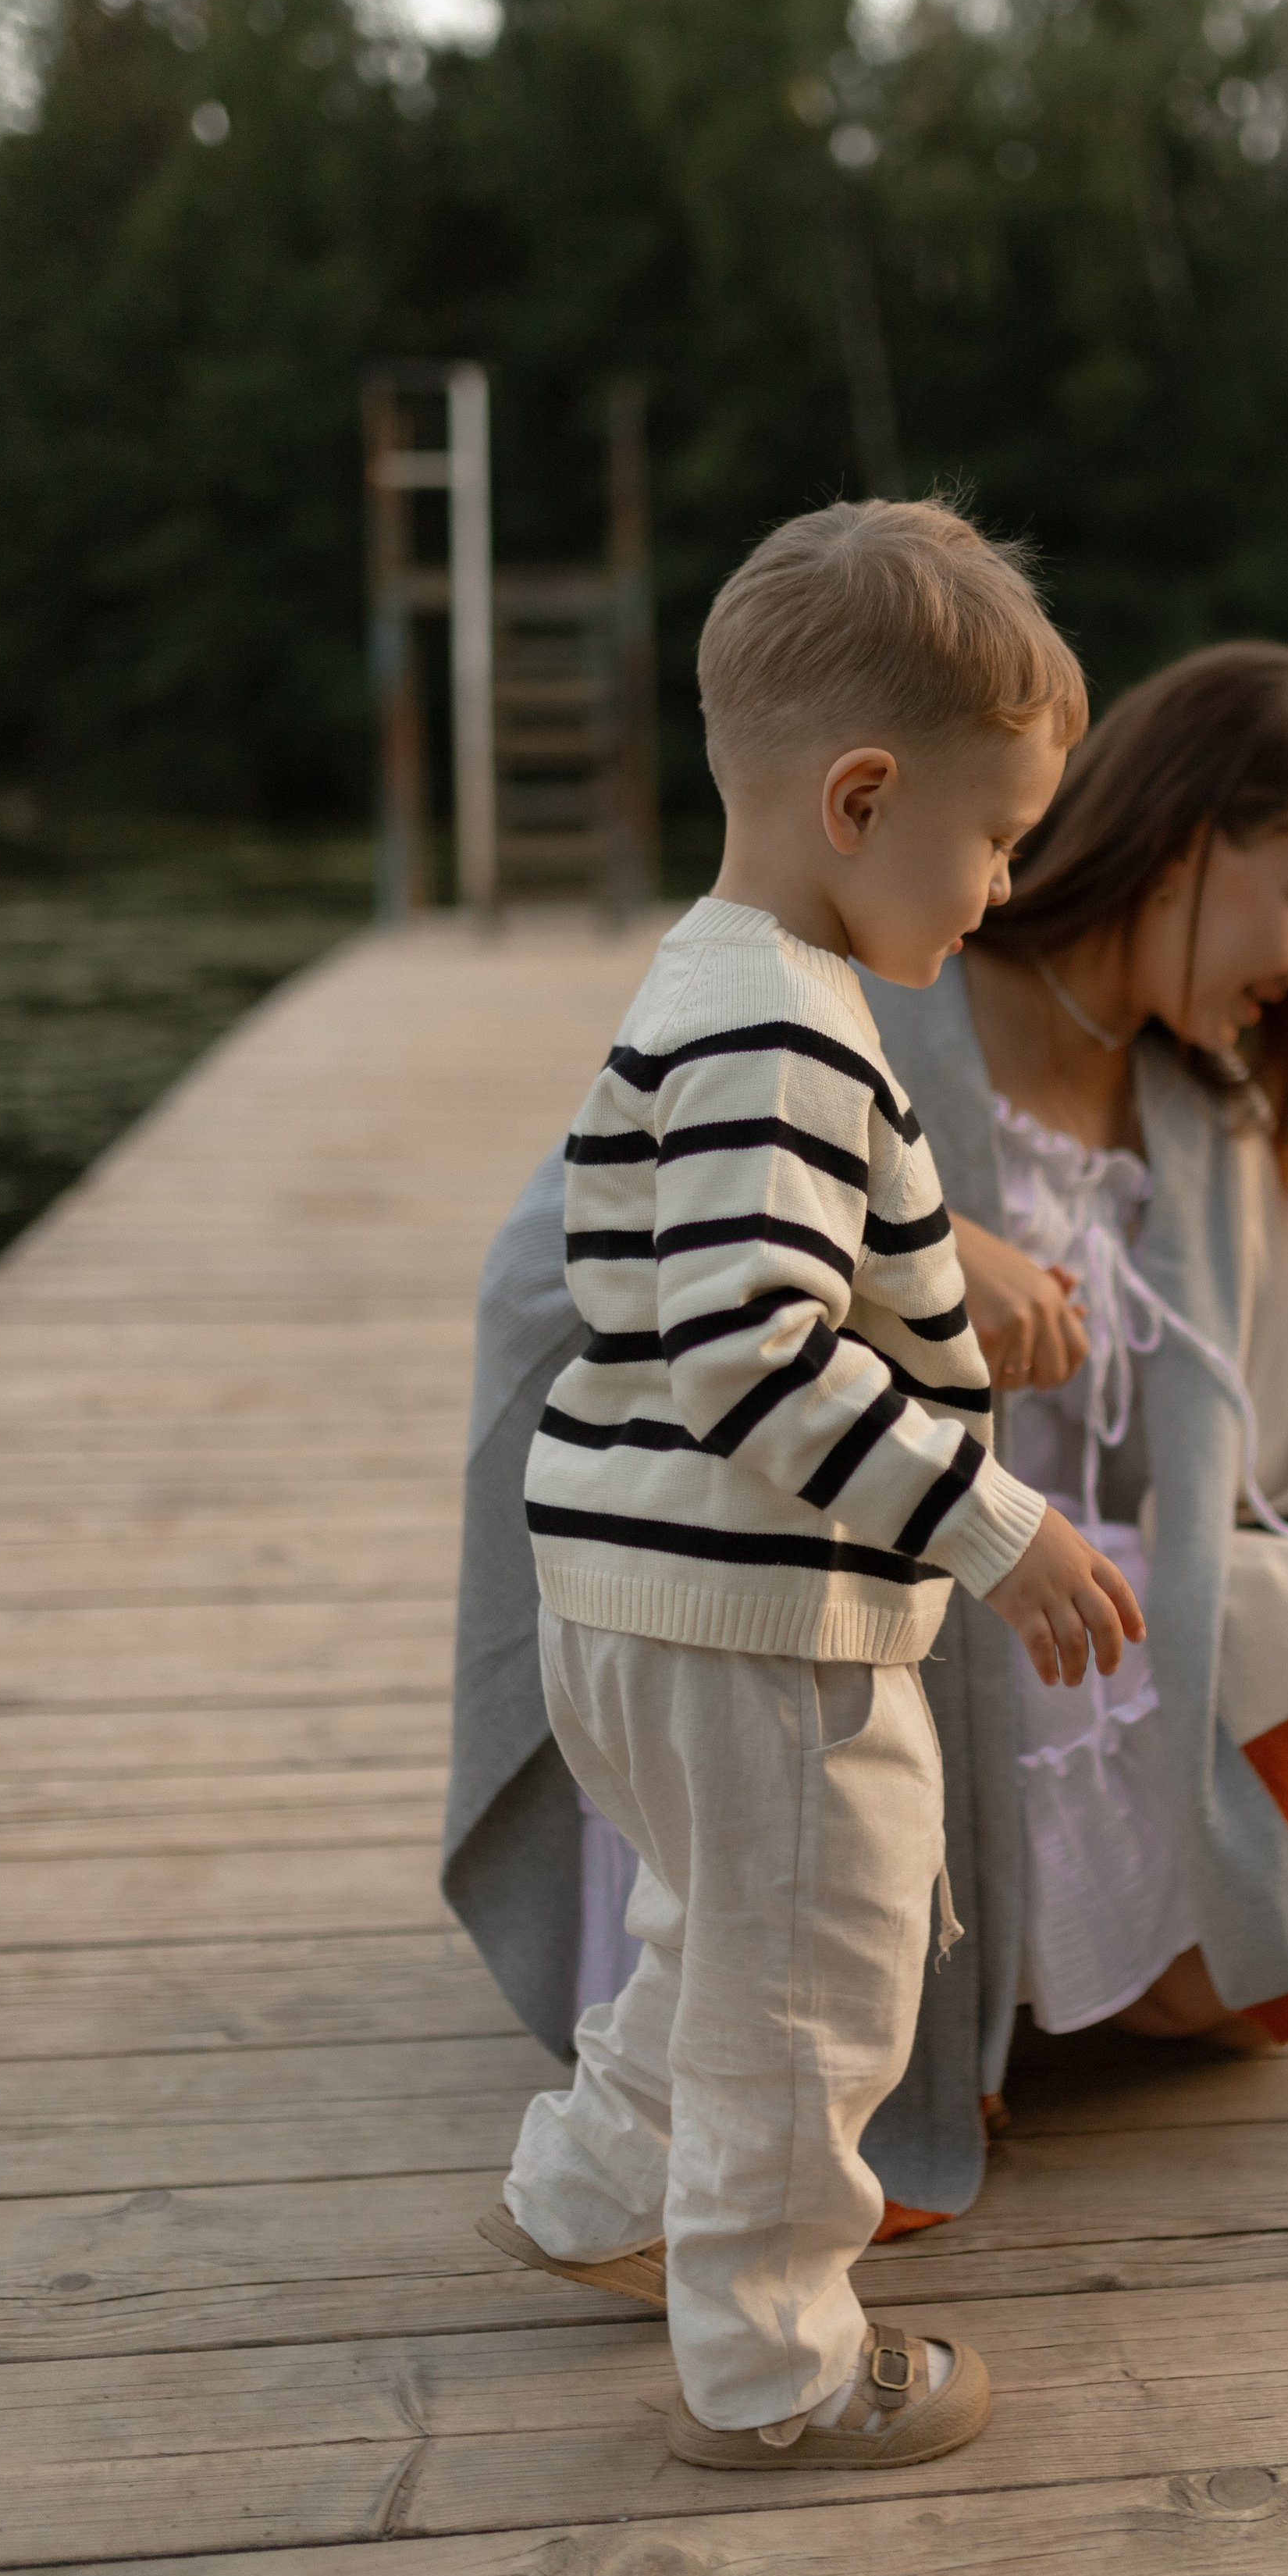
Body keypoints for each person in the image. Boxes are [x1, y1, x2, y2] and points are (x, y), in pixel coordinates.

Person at [444, 637, 1288, 2255]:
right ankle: (821, 2183)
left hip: (1034, 1623)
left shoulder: (1206, 1135)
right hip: (810, 1621)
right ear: (1188, 835)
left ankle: (984, 1999)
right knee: (1069, 1739)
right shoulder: (873, 991)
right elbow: (576, 1263)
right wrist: (917, 1247)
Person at [474, 497, 1142, 2474]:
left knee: (711, 1935)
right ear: (862, 796)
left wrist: (952, 1280)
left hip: (638, 1602)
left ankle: (593, 2197)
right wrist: (996, 1527)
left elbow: (750, 1274)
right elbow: (753, 1350)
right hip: (754, 1619)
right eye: (996, 833)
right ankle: (769, 2365)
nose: (1006, 883)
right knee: (816, 1984)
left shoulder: (720, 977)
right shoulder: (780, 1021)